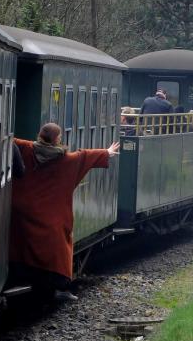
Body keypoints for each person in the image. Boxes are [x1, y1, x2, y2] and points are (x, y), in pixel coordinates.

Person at [9, 123, 119, 301]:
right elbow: (83, 156)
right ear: (57, 139)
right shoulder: (65, 160)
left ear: (40, 135)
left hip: (23, 210)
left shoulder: (26, 148)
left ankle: (19, 272)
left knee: (19, 241)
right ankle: (58, 286)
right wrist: (106, 152)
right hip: (51, 214)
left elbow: (8, 140)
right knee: (60, 243)